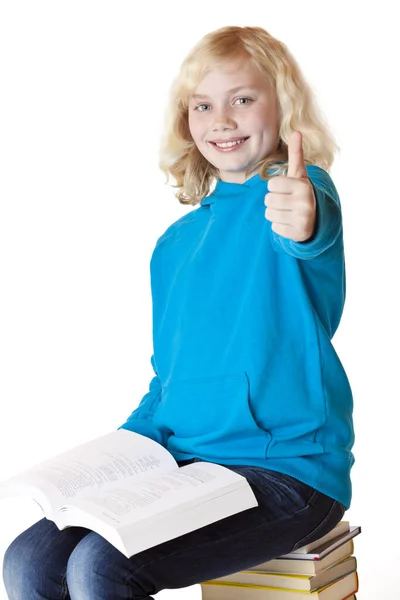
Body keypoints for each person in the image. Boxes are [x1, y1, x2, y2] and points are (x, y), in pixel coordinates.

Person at [2, 25, 354, 600]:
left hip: (288, 473)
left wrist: (305, 216)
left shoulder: (296, 194)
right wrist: (117, 458)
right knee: (28, 560)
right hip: (186, 467)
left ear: (283, 106)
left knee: (101, 568)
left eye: (243, 99)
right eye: (203, 105)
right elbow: (169, 383)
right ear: (186, 121)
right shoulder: (174, 246)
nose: (223, 119)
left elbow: (309, 232)